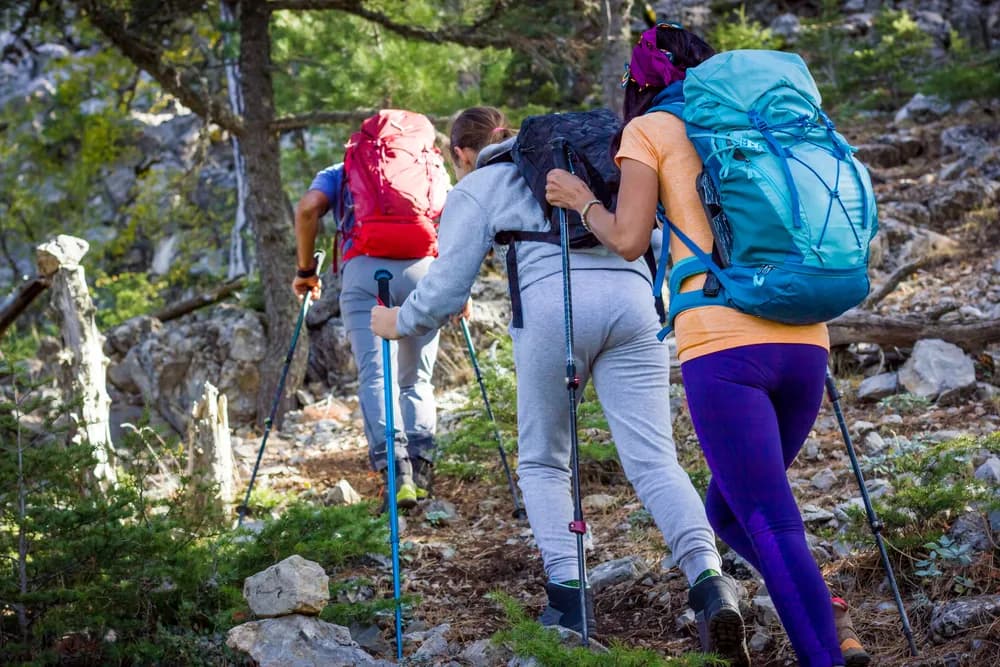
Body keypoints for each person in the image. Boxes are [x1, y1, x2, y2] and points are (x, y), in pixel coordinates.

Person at [371, 105, 749, 662]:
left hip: (555, 309)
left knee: (545, 461)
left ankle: (569, 601)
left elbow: (447, 289)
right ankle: (711, 585)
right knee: (654, 460)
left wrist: (398, 321)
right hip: (634, 302)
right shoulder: (595, 166)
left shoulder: (480, 185)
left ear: (461, 152)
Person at [545, 24, 871, 667]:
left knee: (773, 523)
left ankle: (825, 656)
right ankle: (832, 619)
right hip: (807, 341)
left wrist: (583, 202)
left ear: (641, 84)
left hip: (724, 351)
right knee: (729, 511)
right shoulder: (763, 122)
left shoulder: (651, 130)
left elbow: (631, 237)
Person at [293, 109, 450, 511]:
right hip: (425, 272)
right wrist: (455, 287)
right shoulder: (427, 163)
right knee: (416, 378)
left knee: (376, 374)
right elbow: (450, 217)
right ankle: (422, 469)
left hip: (364, 269)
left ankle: (395, 472)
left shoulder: (344, 167)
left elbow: (308, 208)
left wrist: (306, 271)